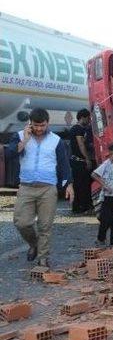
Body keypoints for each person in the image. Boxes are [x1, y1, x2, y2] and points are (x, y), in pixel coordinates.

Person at [7, 108, 74, 267]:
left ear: (47, 123)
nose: (39, 128)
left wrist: (69, 184)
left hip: (48, 188)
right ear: (30, 123)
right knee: (21, 222)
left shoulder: (56, 140)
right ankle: (34, 244)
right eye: (36, 125)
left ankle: (43, 259)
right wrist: (25, 141)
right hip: (26, 187)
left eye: (42, 125)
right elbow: (10, 155)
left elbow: (64, 164)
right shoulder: (19, 136)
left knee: (45, 226)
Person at [69, 108, 94, 213]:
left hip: (77, 161)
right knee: (82, 185)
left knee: (79, 184)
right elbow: (81, 144)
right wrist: (87, 159)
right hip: (79, 162)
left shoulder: (76, 129)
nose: (89, 120)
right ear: (83, 117)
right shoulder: (78, 129)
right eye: (88, 118)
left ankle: (78, 207)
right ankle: (82, 207)